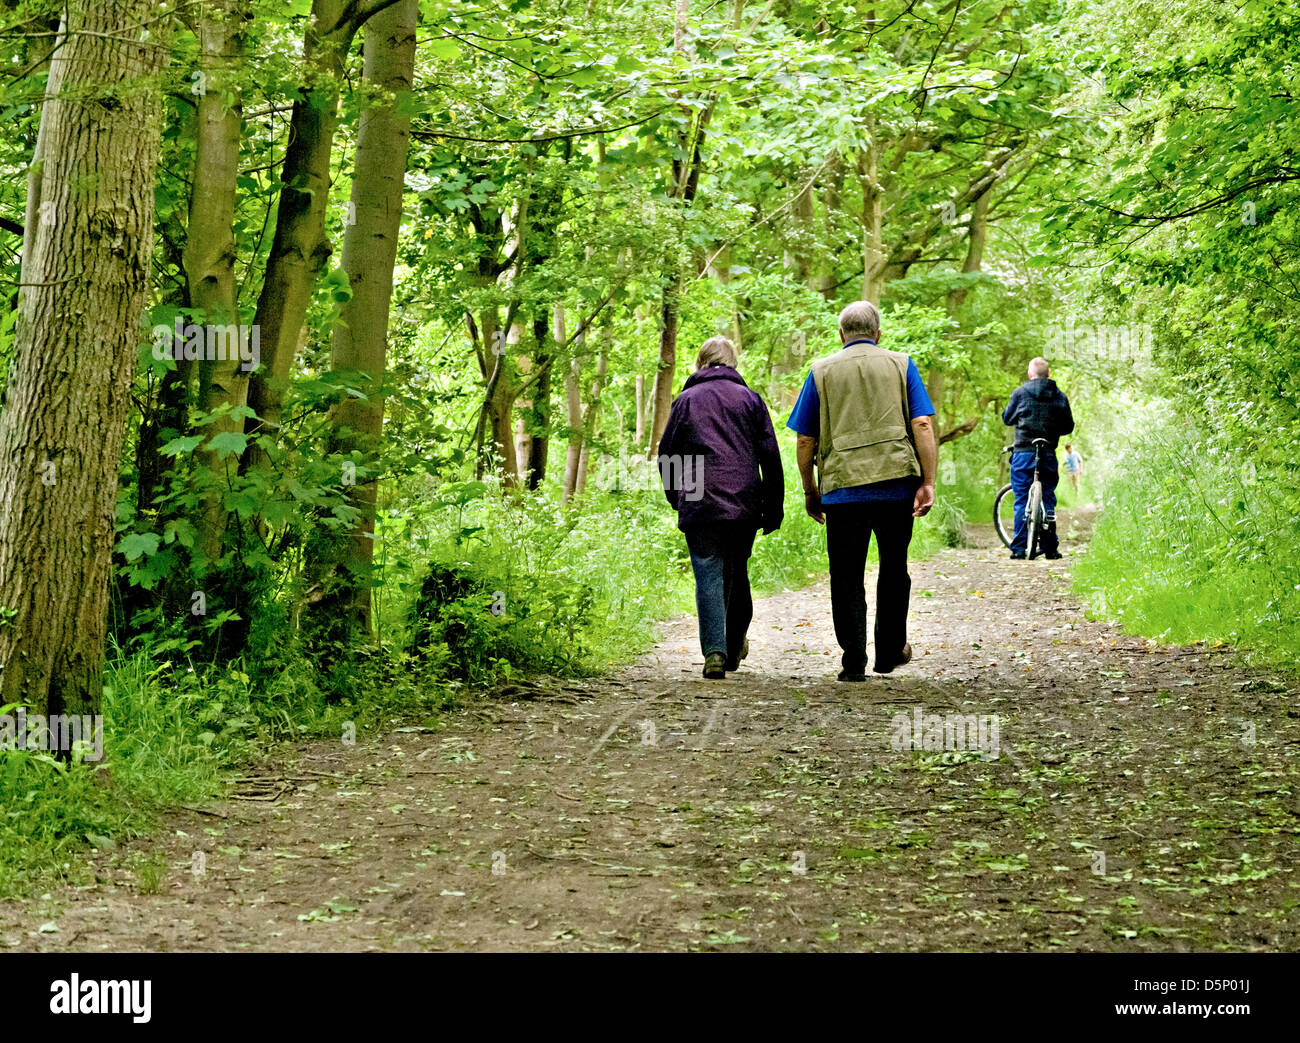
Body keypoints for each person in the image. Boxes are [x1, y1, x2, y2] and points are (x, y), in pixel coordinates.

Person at [787, 301, 937, 681]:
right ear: (878, 333)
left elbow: (805, 439)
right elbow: (921, 424)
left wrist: (809, 489)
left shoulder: (820, 372)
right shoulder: (901, 364)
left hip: (843, 491)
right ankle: (887, 653)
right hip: (894, 486)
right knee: (893, 568)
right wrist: (928, 481)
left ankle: (853, 660)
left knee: (846, 574)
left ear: (841, 335)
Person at [658, 336, 784, 679]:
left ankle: (715, 651)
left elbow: (668, 454)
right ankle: (733, 642)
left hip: (698, 493)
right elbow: (770, 456)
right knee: (736, 570)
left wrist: (677, 494)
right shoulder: (750, 400)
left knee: (707, 571)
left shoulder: (685, 401)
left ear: (701, 363)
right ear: (733, 364)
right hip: (744, 497)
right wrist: (774, 506)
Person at [1001, 357, 1074, 560]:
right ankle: (1050, 548)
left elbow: (1007, 419)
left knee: (1022, 498)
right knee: (1048, 497)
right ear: (1049, 374)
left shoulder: (1020, 393)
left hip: (1023, 452)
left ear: (1029, 374)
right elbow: (1068, 426)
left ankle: (1019, 548)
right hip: (1048, 452)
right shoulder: (1059, 396)